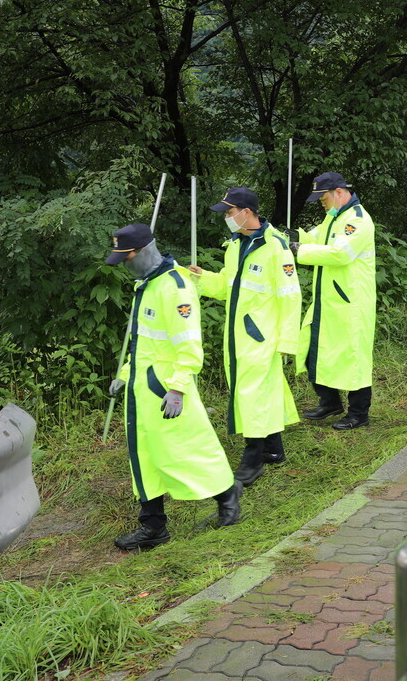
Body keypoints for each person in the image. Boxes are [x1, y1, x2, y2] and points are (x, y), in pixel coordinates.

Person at [105, 223, 241, 550]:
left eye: (128, 258)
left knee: (188, 449)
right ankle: (153, 526)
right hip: (142, 388)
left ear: (144, 251)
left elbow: (190, 346)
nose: (125, 264)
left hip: (165, 390)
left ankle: (227, 495)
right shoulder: (147, 285)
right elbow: (144, 342)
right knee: (146, 457)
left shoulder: (176, 288)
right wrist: (125, 373)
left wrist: (178, 388)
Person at [190, 188, 301, 486]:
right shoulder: (235, 245)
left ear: (246, 212)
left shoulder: (276, 246)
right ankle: (273, 451)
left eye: (229, 212)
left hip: (263, 336)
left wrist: (287, 341)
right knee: (258, 390)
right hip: (239, 334)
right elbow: (229, 286)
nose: (226, 218)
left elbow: (291, 296)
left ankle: (252, 460)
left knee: (253, 393)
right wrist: (201, 278)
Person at [292, 172, 376, 430]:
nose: (322, 203)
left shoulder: (358, 220)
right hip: (327, 299)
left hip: (351, 302)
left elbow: (340, 254)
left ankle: (359, 413)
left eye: (324, 198)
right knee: (314, 349)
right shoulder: (334, 217)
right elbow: (314, 238)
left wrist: (299, 250)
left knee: (354, 357)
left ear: (339, 192)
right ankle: (330, 402)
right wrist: (289, 235)